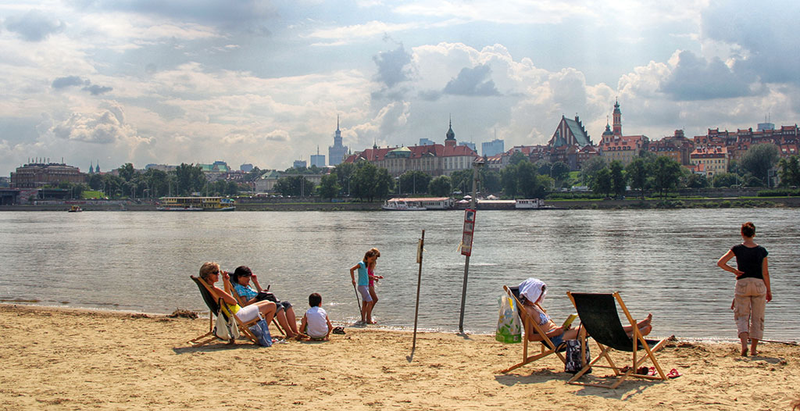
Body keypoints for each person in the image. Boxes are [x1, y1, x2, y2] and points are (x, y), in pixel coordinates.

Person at [517, 278, 653, 345]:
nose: (542, 297)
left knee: (592, 327)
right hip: (555, 339)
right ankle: (634, 333)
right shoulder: (527, 311)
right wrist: (556, 332)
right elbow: (530, 338)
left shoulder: (536, 306)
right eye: (540, 293)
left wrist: (562, 327)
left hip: (561, 333)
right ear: (533, 293)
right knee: (591, 328)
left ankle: (635, 329)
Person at [717, 222, 771, 357]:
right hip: (759, 284)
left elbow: (721, 263)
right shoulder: (762, 251)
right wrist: (769, 290)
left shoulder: (737, 249)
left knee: (742, 315)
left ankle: (743, 346)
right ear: (754, 234)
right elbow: (765, 273)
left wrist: (735, 271)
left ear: (742, 233)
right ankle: (753, 349)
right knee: (757, 317)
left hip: (742, 283)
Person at [230, 266, 301, 339]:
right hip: (254, 311)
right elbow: (245, 305)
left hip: (262, 306)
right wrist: (257, 298)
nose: (248, 279)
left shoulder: (247, 286)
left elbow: (260, 293)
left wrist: (256, 283)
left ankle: (295, 332)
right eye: (246, 276)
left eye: (249, 276)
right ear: (239, 277)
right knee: (279, 307)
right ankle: (289, 333)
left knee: (287, 304)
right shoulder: (239, 288)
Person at [198, 262, 276, 328]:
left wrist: (226, 282)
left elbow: (227, 300)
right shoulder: (215, 290)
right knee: (272, 305)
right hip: (239, 316)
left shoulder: (210, 289)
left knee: (266, 301)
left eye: (218, 272)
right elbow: (233, 301)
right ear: (208, 275)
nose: (218, 274)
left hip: (235, 314)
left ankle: (259, 331)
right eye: (215, 272)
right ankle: (262, 333)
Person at [350, 249, 378, 324]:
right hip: (361, 286)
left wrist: (374, 277)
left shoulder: (366, 266)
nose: (372, 261)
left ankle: (363, 319)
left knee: (365, 303)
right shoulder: (361, 264)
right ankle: (368, 320)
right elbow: (352, 269)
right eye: (371, 259)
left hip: (366, 286)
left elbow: (366, 276)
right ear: (367, 257)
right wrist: (353, 280)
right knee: (371, 302)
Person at [367, 248, 383, 322]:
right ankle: (368, 317)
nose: (376, 259)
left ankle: (367, 315)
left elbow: (371, 274)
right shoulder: (369, 263)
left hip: (371, 283)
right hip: (368, 283)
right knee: (374, 299)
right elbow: (367, 275)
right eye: (376, 257)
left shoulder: (372, 263)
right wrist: (374, 278)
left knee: (370, 301)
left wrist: (376, 277)